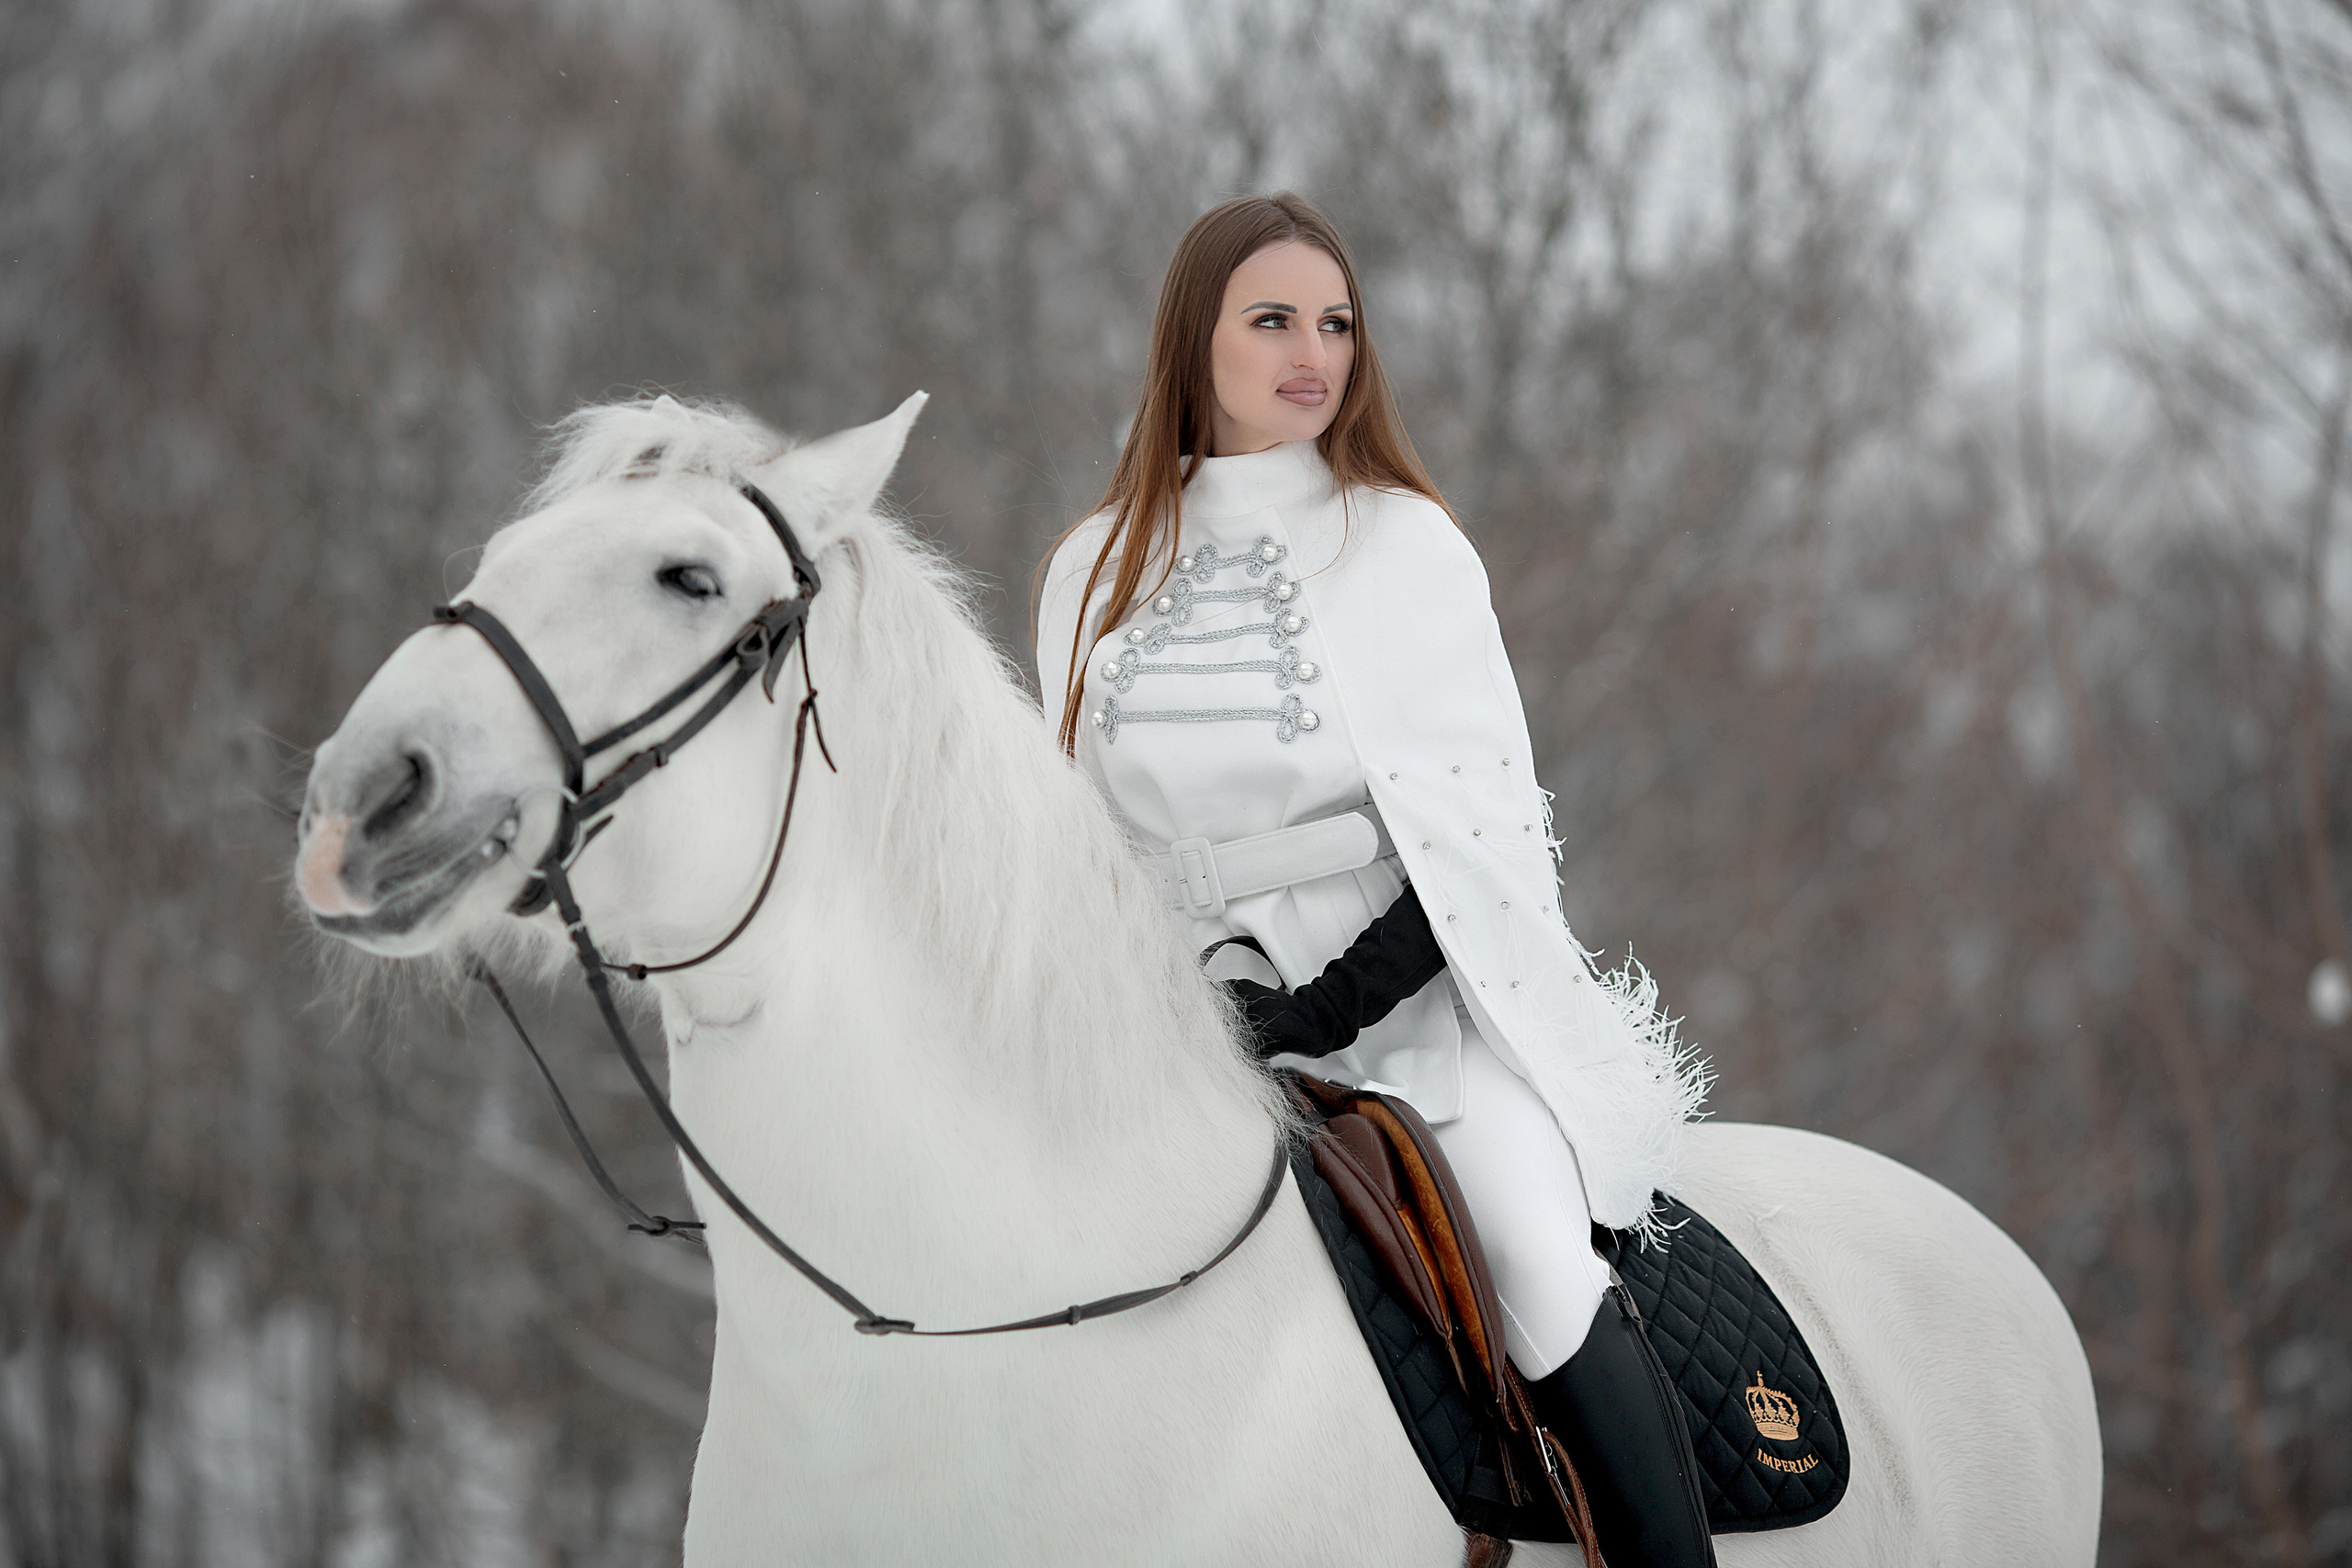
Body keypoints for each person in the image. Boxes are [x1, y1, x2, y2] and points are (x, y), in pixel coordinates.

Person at [1035, 193, 1714, 1566]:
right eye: (1274, 320)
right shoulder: (1090, 569)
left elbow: (1481, 842)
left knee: (1533, 1262)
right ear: (1196, 338)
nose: (1315, 354)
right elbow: (1070, 845)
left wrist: (1322, 1010)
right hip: (1168, 1027)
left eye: (1337, 323)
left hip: (1410, 1025)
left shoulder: (1402, 543)